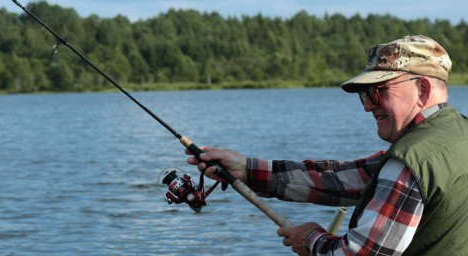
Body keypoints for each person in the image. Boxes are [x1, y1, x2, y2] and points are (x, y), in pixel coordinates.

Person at [186, 35, 468, 255]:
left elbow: (360, 254)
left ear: (423, 89)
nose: (368, 106)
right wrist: (246, 170)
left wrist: (310, 240)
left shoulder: (411, 161)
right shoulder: (457, 134)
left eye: (377, 92)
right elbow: (339, 179)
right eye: (364, 96)